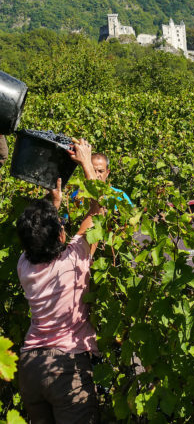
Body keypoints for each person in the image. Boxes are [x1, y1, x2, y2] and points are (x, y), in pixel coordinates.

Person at [17, 139, 102, 423]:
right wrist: (87, 163)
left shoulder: (24, 265)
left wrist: (53, 204)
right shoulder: (73, 259)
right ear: (62, 237)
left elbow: (40, 234)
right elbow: (99, 212)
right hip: (65, 368)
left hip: (30, 367)